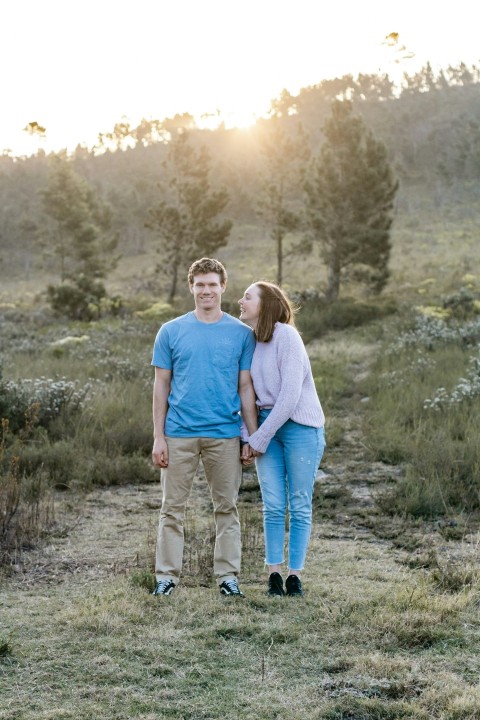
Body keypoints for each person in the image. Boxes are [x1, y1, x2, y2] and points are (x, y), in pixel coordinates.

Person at [151, 257, 258, 597]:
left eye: (213, 284)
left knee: (226, 508)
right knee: (172, 509)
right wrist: (158, 437)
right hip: (178, 433)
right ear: (191, 287)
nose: (206, 290)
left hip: (224, 434)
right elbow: (160, 386)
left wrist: (250, 438)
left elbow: (245, 388)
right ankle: (166, 578)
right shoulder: (171, 331)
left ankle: (228, 578)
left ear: (223, 287)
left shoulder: (242, 334)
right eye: (200, 285)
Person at [238, 281, 325, 597]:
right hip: (266, 429)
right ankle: (274, 574)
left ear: (266, 304)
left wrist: (258, 438)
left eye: (247, 297)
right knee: (273, 504)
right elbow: (246, 392)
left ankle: (295, 576)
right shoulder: (252, 340)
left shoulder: (287, 336)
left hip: (301, 427)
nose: (241, 301)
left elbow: (289, 396)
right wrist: (248, 434)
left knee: (299, 503)